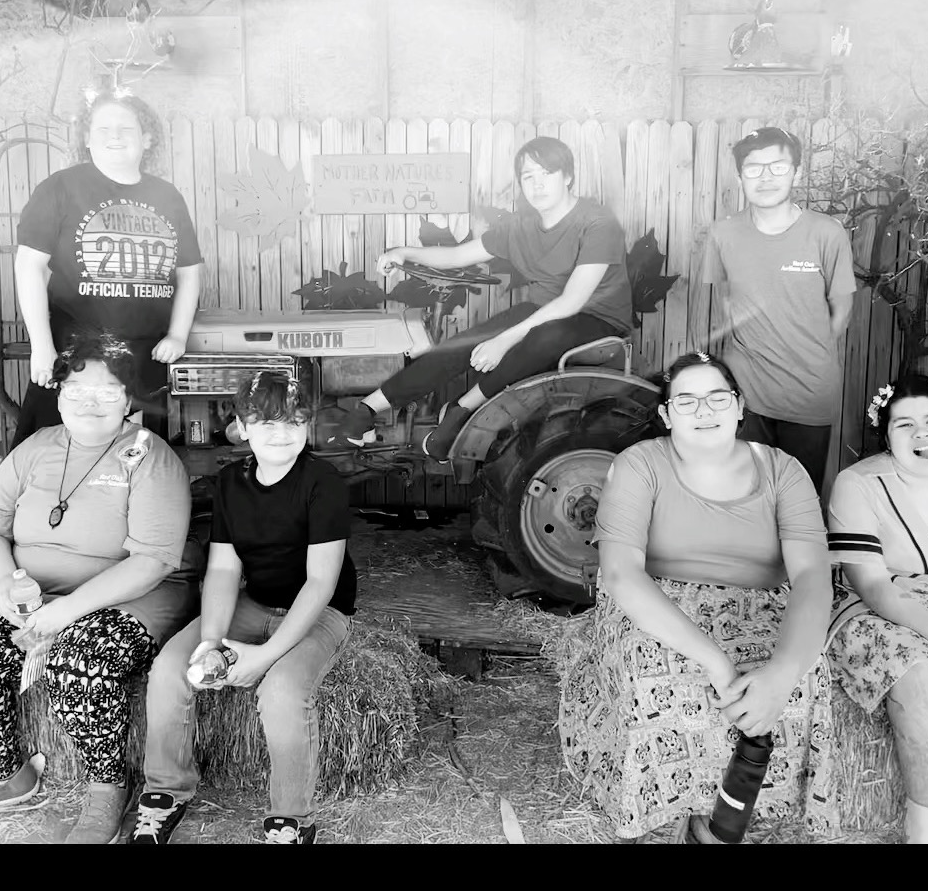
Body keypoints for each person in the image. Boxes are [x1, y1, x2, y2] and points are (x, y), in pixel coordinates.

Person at [0, 335, 202, 844]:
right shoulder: (37, 446)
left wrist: (67, 611)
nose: (90, 403)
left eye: (108, 391)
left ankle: (105, 789)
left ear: (129, 399)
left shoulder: (149, 456)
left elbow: (153, 560)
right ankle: (3, 774)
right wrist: (4, 584)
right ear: (60, 394)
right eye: (76, 390)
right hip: (28, 588)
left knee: (81, 660)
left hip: (126, 593)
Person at [556, 351, 836, 841]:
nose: (703, 410)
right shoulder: (639, 464)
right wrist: (715, 661)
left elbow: (812, 576)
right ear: (665, 415)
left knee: (805, 675)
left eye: (716, 398)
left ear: (739, 406)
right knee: (662, 672)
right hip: (657, 603)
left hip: (758, 602)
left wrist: (782, 672)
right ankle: (674, 813)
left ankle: (732, 815)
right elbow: (622, 577)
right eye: (686, 401)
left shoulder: (784, 470)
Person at [132, 370, 356, 846]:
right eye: (268, 422)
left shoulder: (323, 482)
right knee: (173, 666)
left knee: (281, 692)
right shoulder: (232, 482)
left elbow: (320, 582)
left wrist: (263, 655)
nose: (282, 433)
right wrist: (211, 641)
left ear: (308, 427)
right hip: (256, 600)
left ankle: (291, 820)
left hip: (321, 610)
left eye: (295, 422)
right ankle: (166, 792)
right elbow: (224, 570)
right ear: (242, 427)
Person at [338, 137, 632, 459]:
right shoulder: (520, 227)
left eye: (546, 173)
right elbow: (457, 255)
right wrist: (403, 252)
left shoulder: (597, 223)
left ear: (568, 176)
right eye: (528, 176)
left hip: (597, 317)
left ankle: (462, 411)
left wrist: (504, 341)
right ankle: (368, 408)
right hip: (541, 310)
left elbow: (572, 302)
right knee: (466, 342)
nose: (537, 184)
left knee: (543, 337)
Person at [12, 87, 203, 447]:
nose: (115, 137)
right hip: (74, 356)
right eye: (103, 129)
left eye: (126, 129)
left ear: (146, 139)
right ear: (87, 138)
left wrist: (177, 335)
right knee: (53, 455)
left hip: (147, 359)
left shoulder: (167, 196)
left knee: (138, 460)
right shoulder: (60, 188)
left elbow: (190, 271)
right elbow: (29, 267)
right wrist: (41, 345)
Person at [826, 373, 928, 844]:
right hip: (878, 612)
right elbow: (872, 584)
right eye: (904, 425)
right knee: (924, 674)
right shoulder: (858, 483)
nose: (921, 433)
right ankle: (925, 833)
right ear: (886, 438)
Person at [698, 126, 855, 494]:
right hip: (745, 397)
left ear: (796, 172)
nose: (766, 177)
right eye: (754, 168)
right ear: (740, 176)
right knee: (742, 497)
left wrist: (802, 349)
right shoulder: (723, 235)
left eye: (778, 167)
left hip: (808, 394)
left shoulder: (826, 233)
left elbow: (841, 312)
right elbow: (722, 302)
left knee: (797, 499)